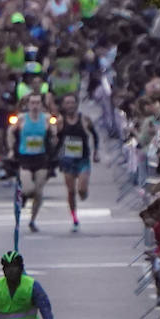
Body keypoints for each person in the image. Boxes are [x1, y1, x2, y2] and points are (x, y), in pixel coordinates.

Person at [5, 92, 57, 234]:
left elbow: (54, 136)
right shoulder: (21, 119)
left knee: (39, 192)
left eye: (37, 103)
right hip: (25, 158)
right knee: (28, 189)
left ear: (41, 105)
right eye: (32, 103)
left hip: (41, 158)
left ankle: (33, 220)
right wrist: (11, 149)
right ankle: (23, 196)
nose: (35, 106)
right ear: (27, 105)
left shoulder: (46, 119)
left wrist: (53, 137)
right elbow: (10, 132)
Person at [56, 92, 99, 232]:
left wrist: (96, 152)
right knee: (70, 191)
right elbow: (56, 140)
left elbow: (95, 135)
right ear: (63, 105)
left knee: (81, 190)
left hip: (82, 158)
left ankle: (84, 193)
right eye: (67, 103)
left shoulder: (85, 119)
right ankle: (74, 219)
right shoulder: (60, 121)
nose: (70, 105)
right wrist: (55, 156)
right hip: (67, 160)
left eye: (72, 102)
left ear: (77, 104)